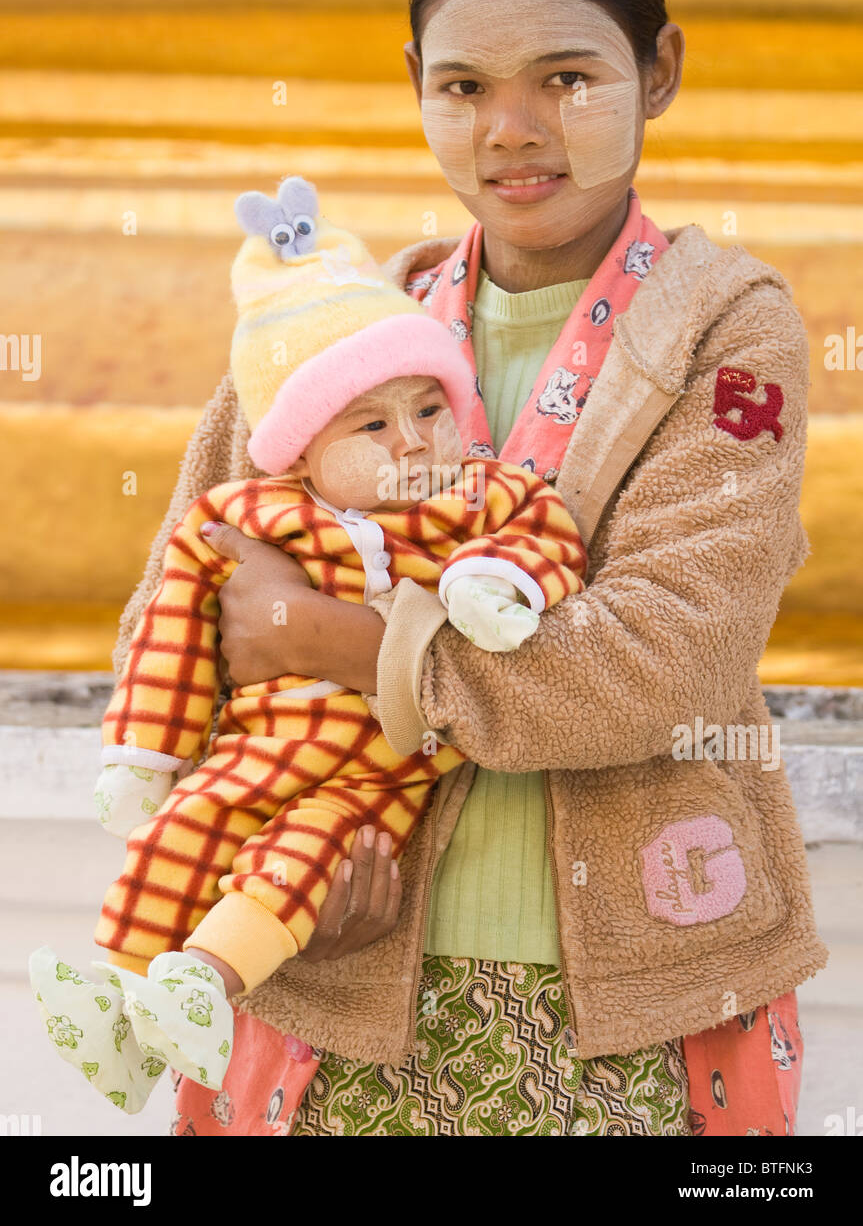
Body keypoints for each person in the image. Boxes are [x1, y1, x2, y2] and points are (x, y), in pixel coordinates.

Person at [118, 0, 827, 1137]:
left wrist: (333, 642)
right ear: (416, 90)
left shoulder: (727, 334)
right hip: (337, 974)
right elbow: (180, 600)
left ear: (655, 71)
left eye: (565, 78)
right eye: (463, 87)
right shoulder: (336, 332)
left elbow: (664, 662)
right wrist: (269, 856)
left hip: (623, 1007)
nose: (511, 129)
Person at [28, 182, 587, 1114]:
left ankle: (201, 980)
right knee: (182, 831)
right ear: (299, 450)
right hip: (259, 742)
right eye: (372, 425)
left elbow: (545, 532)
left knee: (305, 859)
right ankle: (121, 1004)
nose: (414, 443)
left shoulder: (475, 496)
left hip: (378, 768)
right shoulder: (246, 515)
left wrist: (499, 585)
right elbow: (173, 633)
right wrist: (146, 751)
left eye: (430, 409)